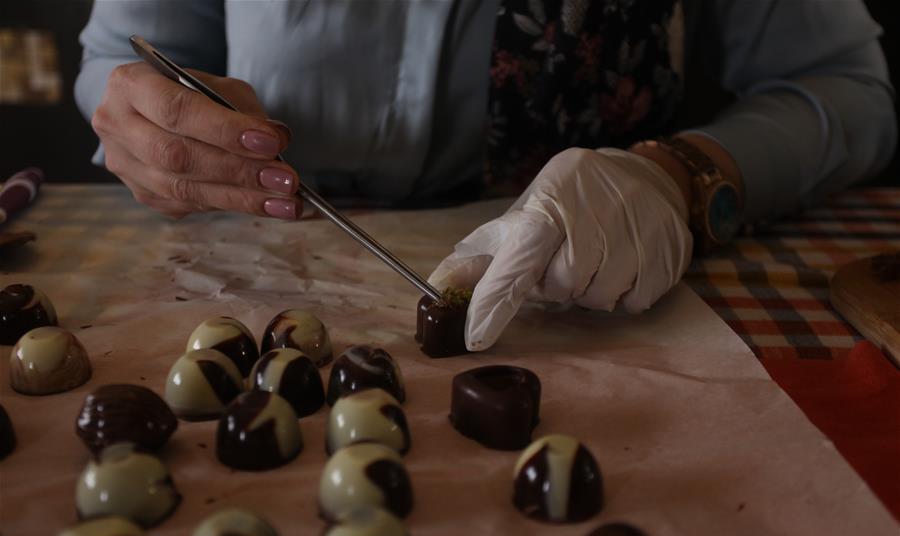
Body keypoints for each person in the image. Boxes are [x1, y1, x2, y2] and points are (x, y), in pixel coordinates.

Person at [76, 0, 896, 351]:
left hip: (608, 280)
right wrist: (150, 124)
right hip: (249, 270)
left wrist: (673, 177)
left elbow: (851, 91)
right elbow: (122, 57)